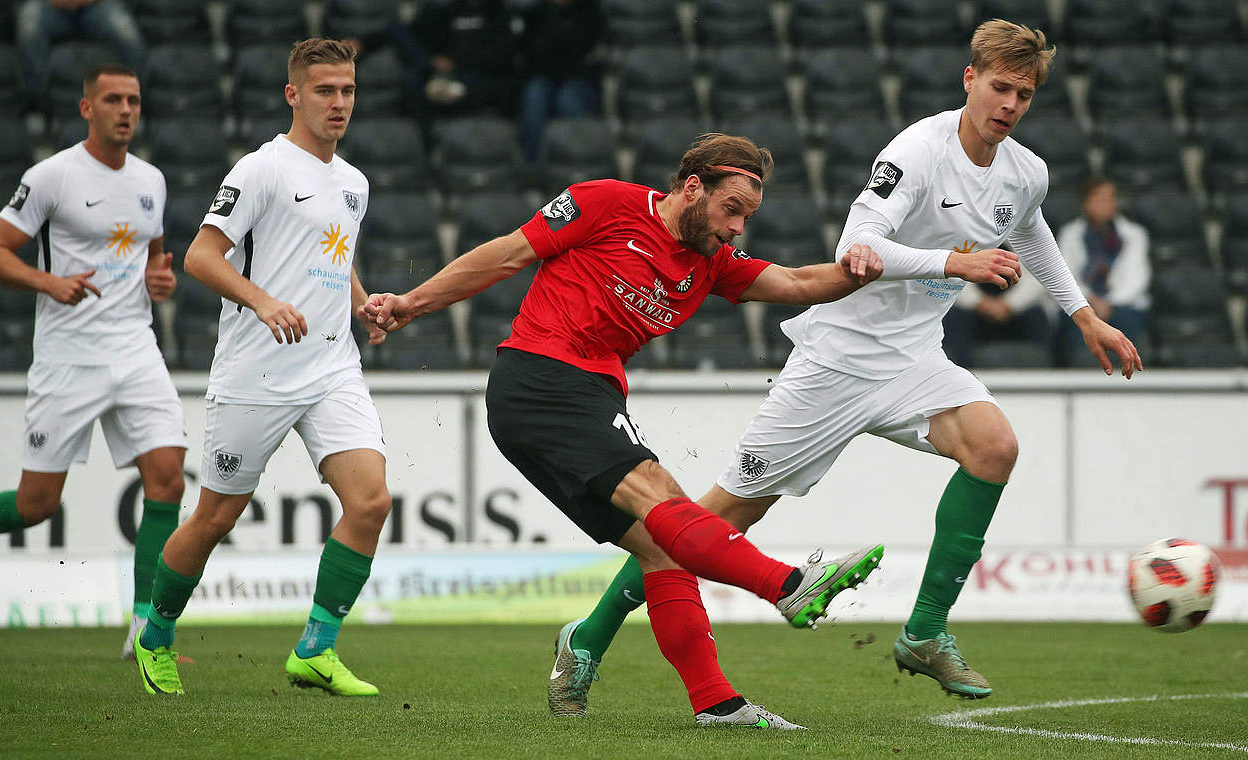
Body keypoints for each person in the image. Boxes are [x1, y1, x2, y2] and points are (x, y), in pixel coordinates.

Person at [546, 19, 1143, 709]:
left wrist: (1082, 313)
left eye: (1025, 94)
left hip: (915, 358)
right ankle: (587, 637)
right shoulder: (916, 151)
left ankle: (924, 633)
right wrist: (954, 262)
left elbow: (1029, 223)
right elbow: (860, 241)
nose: (1010, 105)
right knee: (712, 523)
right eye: (1000, 87)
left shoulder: (1026, 171)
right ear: (970, 80)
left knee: (994, 446)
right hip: (835, 362)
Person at [364, 132, 889, 728]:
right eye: (731, 209)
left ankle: (714, 702)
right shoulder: (607, 203)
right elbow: (509, 254)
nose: (738, 227)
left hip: (586, 394)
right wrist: (413, 303)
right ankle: (786, 585)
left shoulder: (710, 262)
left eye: (747, 216)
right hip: (540, 378)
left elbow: (797, 284)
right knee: (661, 493)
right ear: (693, 188)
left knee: (663, 548)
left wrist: (873, 267)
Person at [131, 38, 391, 698]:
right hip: (256, 373)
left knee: (370, 501)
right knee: (215, 519)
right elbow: (200, 256)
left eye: (348, 91)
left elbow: (332, 254)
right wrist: (262, 300)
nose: (339, 103)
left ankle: (315, 649)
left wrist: (363, 304)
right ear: (293, 95)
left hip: (332, 368)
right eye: (326, 91)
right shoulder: (262, 170)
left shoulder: (354, 182)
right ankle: (156, 633)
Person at [0, 63, 186, 663]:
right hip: (68, 358)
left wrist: (159, 278)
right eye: (113, 100)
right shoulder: (52, 177)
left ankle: (146, 632)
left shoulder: (152, 180)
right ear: (86, 109)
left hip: (135, 346)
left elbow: (151, 256)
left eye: (134, 100)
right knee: (38, 504)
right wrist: (48, 282)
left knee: (169, 480)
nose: (126, 110)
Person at [1056, 177, 1150, 365]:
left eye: (1110, 198)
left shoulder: (1134, 234)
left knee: (1127, 317)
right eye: (1099, 198)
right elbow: (1064, 276)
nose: (1105, 204)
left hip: (1121, 304)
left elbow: (1137, 278)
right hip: (1083, 303)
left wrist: (1108, 302)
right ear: (1085, 203)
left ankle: (1129, 374)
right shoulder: (1070, 233)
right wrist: (1089, 301)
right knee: (1078, 320)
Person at [518, 0, 605, 161]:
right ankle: (532, 167)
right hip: (544, 77)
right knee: (534, 97)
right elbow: (531, 56)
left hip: (579, 79)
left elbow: (589, 52)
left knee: (569, 100)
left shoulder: (589, 10)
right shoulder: (535, 14)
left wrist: (556, 50)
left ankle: (578, 162)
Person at [17, 0, 148, 96]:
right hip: (50, 6)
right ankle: (38, 100)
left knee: (127, 34)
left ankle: (136, 99)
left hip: (97, 6)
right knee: (29, 28)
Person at [943, 265, 1052, 367]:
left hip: (1018, 311)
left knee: (1037, 314)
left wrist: (1010, 304)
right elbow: (947, 271)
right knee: (954, 316)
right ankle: (959, 377)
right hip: (970, 310)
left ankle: (1044, 376)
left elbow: (1042, 274)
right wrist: (978, 302)